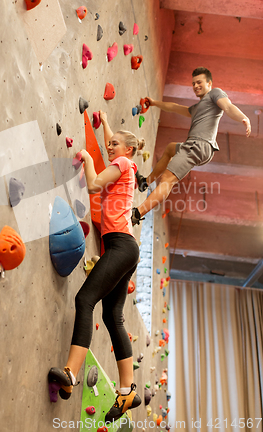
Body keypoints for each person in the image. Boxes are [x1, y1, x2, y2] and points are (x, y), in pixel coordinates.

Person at [48, 110, 145, 423]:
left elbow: (92, 185)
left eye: (115, 145)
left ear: (127, 151)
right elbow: (112, 145)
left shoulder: (124, 163)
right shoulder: (125, 163)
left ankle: (70, 373)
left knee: (84, 300)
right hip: (127, 247)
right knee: (111, 315)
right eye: (110, 144)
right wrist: (105, 125)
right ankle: (127, 390)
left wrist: (89, 160)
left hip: (121, 245)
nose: (109, 148)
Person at [132, 67, 251, 224]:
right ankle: (145, 182)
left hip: (200, 145)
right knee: (170, 149)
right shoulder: (197, 108)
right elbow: (175, 108)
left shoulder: (215, 93)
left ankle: (137, 214)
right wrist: (155, 103)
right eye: (193, 83)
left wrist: (244, 118)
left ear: (209, 83)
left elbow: (228, 107)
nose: (195, 86)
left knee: (168, 179)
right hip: (195, 146)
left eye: (199, 82)